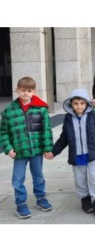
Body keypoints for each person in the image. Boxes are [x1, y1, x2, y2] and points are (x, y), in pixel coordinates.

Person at [45, 88, 95, 217]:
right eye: (76, 103)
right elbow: (64, 138)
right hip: (77, 155)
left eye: (82, 103)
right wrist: (53, 152)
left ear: (87, 104)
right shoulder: (68, 119)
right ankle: (85, 199)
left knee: (94, 178)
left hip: (93, 154)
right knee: (80, 179)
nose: (79, 106)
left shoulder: (93, 116)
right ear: (71, 104)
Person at [0, 77, 53, 219]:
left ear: (34, 91)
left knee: (38, 176)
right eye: (22, 90)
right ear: (17, 90)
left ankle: (41, 198)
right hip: (19, 152)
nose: (25, 93)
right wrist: (8, 148)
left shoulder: (41, 109)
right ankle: (21, 203)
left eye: (29, 91)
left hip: (36, 150)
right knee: (17, 179)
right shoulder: (8, 112)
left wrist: (47, 149)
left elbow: (46, 130)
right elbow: (3, 132)